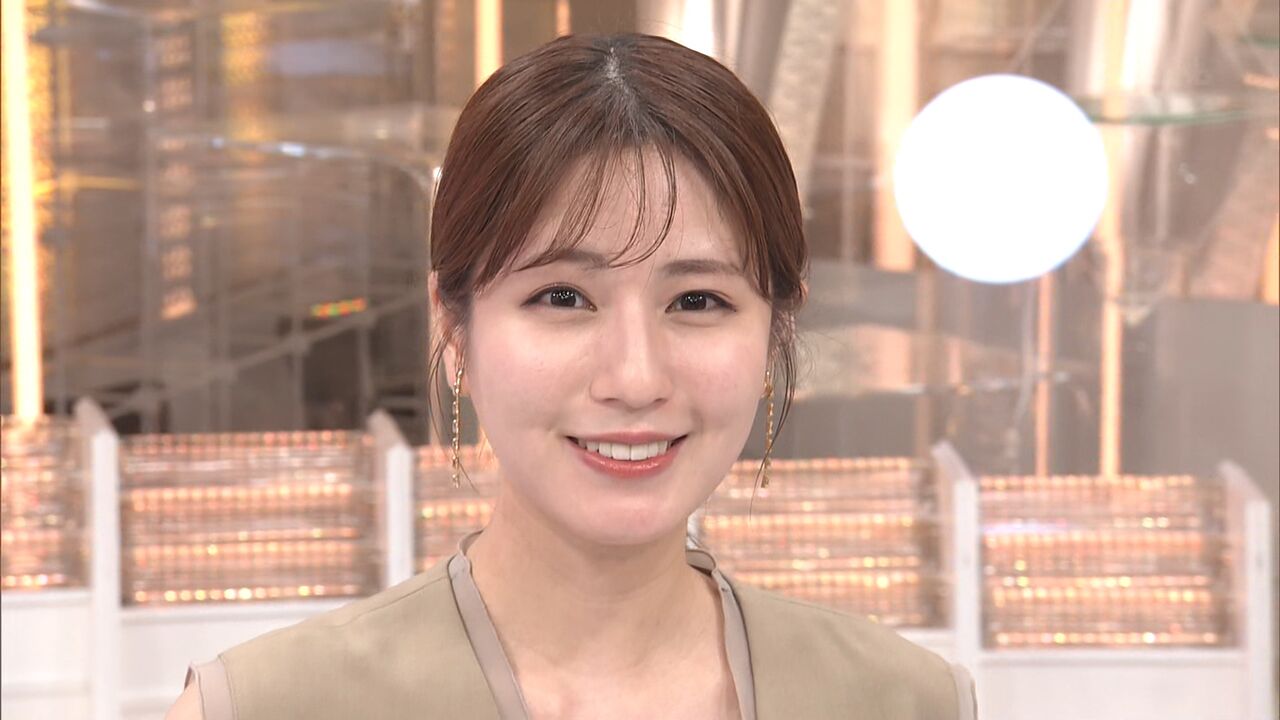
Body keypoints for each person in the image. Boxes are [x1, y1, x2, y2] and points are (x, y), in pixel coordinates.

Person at [166, 32, 977, 719]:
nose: (635, 377)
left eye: (697, 300)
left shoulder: (905, 702)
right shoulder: (265, 705)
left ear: (774, 332)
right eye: (563, 297)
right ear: (453, 325)